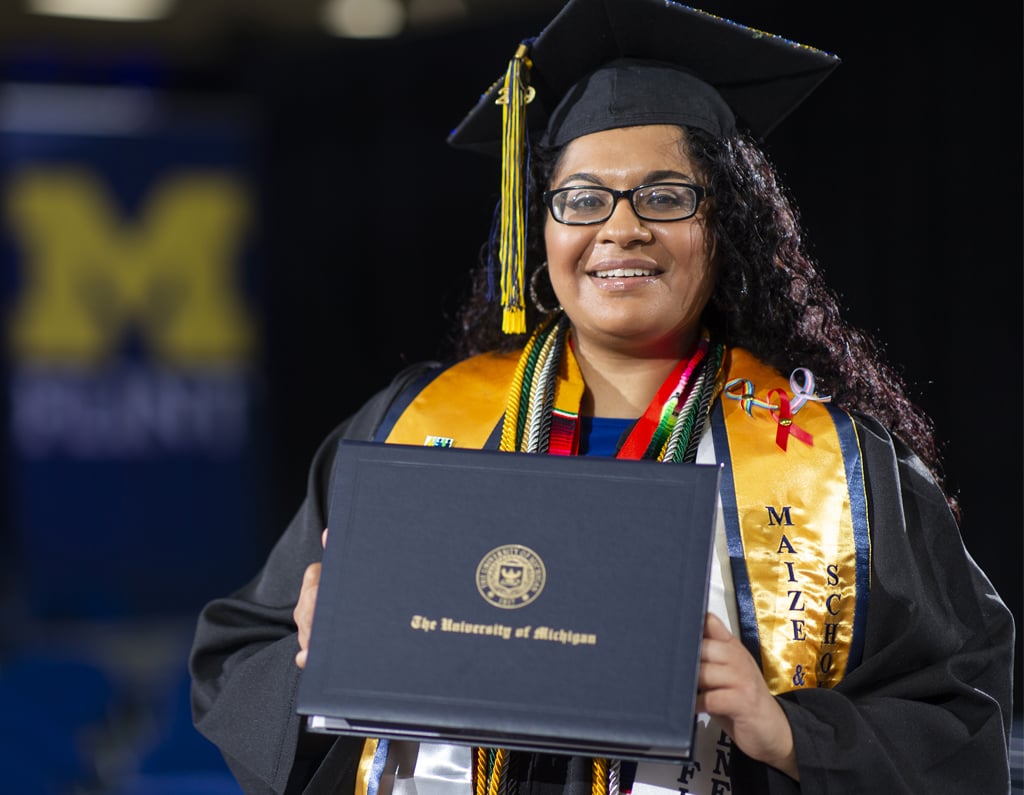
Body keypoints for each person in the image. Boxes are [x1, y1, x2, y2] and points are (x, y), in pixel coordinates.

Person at [189, 1, 1015, 793]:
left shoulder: (837, 468)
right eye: (581, 199)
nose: (620, 229)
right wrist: (314, 643)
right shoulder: (414, 424)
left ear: (726, 225)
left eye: (665, 195)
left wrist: (792, 733)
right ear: (539, 229)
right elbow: (235, 653)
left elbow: (960, 716)